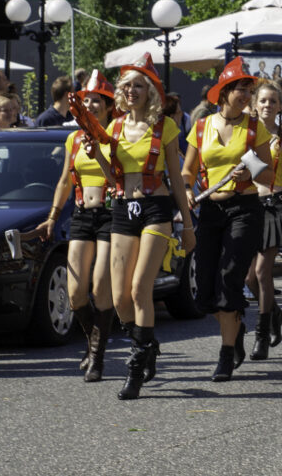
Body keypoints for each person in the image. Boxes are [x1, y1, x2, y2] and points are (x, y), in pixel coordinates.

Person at [81, 55, 196, 399]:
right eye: (127, 85)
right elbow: (112, 177)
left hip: (155, 208)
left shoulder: (166, 126)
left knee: (139, 289)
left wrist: (188, 225)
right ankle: (147, 345)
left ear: (150, 92)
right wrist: (96, 154)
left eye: (139, 86)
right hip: (122, 208)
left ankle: (135, 370)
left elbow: (176, 179)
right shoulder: (114, 127)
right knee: (119, 299)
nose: (131, 91)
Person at [182, 57, 274, 382]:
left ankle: (225, 354)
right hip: (210, 209)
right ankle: (235, 329)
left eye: (249, 90)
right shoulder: (202, 126)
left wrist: (251, 172)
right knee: (205, 289)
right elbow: (187, 170)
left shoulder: (255, 128)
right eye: (241, 90)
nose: (247, 96)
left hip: (244, 208)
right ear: (224, 92)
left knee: (230, 277)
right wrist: (187, 191)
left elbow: (269, 174)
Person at [35, 72, 116, 383]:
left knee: (100, 287)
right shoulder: (74, 138)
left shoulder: (117, 135)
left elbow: (123, 177)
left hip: (111, 214)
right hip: (82, 215)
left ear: (109, 106)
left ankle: (97, 356)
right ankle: (93, 342)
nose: (91, 105)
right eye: (87, 100)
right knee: (75, 293)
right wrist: (53, 217)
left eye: (97, 100)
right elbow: (64, 181)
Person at [244, 80, 282, 360]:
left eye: (273, 101)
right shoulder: (246, 135)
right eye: (263, 100)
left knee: (261, 273)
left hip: (275, 206)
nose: (268, 105)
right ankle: (275, 312)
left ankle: (261, 335)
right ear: (255, 105)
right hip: (249, 205)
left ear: (281, 106)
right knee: (249, 279)